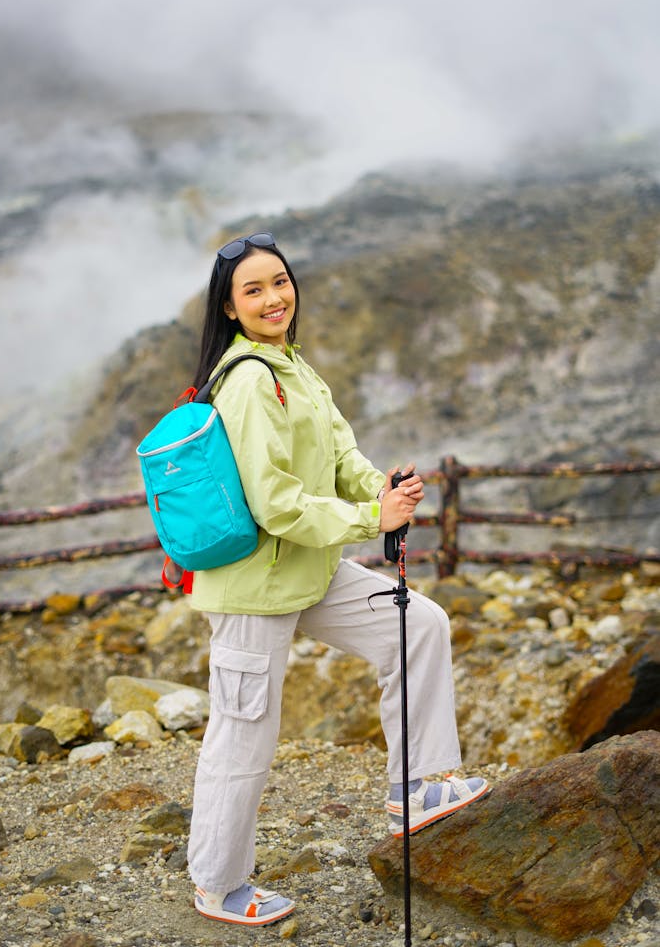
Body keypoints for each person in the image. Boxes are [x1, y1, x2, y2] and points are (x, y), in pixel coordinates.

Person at [176, 232, 488, 927]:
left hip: (309, 572)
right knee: (244, 734)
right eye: (252, 289)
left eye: (279, 282)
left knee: (419, 622)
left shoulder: (295, 367)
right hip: (256, 585)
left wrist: (385, 488)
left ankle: (414, 784)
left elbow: (342, 454)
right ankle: (217, 885)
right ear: (229, 307)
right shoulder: (252, 379)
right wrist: (366, 516)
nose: (272, 297)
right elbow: (275, 504)